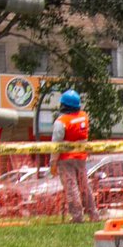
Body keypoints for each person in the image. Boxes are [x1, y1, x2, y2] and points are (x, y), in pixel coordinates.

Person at [51, 89, 99, 224]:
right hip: (81, 158)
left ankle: (77, 216)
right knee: (84, 186)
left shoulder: (61, 122)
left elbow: (56, 144)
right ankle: (93, 214)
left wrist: (53, 163)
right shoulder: (84, 116)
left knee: (71, 188)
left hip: (66, 160)